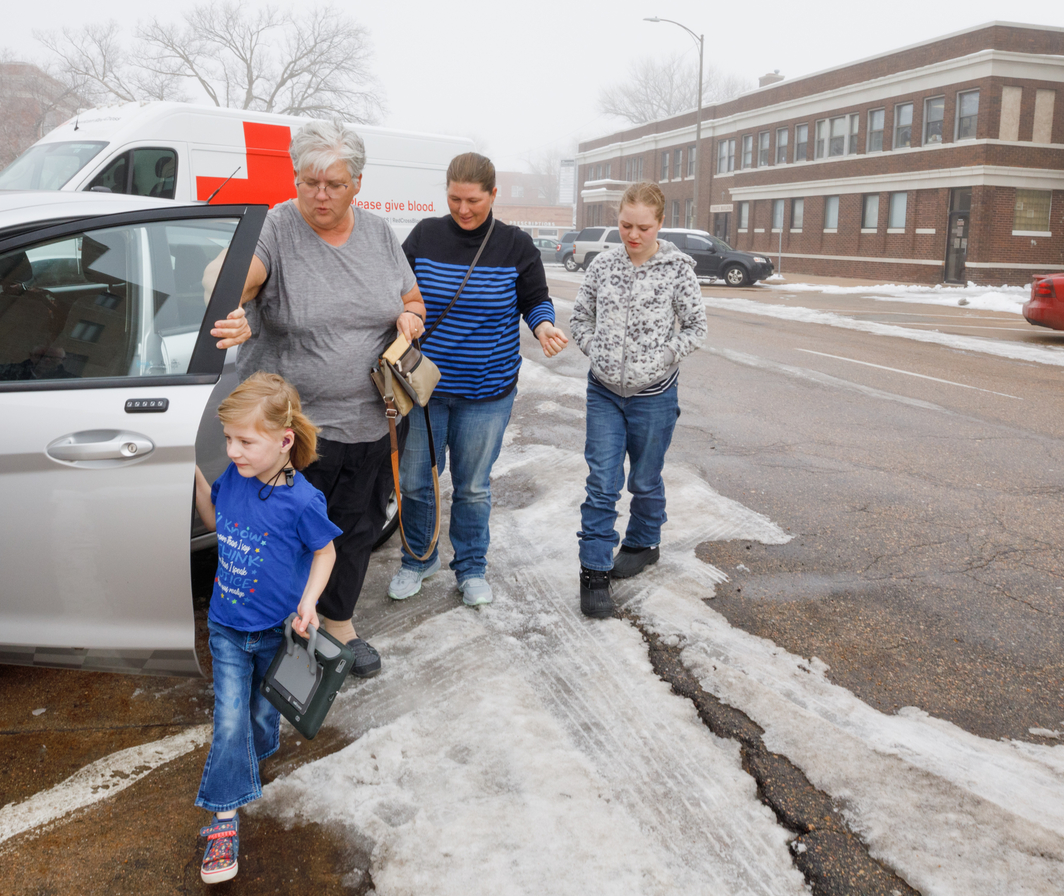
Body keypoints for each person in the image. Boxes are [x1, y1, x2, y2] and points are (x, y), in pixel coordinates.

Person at [209, 120, 425, 678]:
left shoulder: (379, 234)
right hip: (295, 433)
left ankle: (338, 624)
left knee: (354, 530)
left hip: (370, 422)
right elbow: (233, 274)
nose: (319, 195)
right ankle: (276, 634)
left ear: (357, 182)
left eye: (332, 183)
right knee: (282, 539)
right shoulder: (276, 229)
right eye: (308, 182)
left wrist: (410, 318)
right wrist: (226, 298)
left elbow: (412, 299)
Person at [388, 152, 570, 607]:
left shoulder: (515, 245)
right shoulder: (426, 236)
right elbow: (399, 291)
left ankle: (470, 569)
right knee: (417, 482)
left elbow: (536, 299)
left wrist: (544, 326)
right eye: (454, 199)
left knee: (472, 487)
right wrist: (402, 317)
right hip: (425, 390)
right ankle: (418, 559)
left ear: (493, 194)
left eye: (473, 200)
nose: (463, 209)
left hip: (487, 392)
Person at [191, 372, 341, 884]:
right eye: (228, 439)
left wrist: (309, 602)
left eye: (245, 441)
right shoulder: (234, 479)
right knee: (231, 719)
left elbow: (326, 551)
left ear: (284, 440)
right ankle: (224, 819)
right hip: (227, 628)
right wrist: (192, 476)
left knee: (260, 716)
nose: (233, 451)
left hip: (279, 632)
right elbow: (216, 522)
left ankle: (246, 761)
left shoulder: (302, 502)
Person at [568, 182, 707, 618]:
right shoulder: (603, 265)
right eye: (625, 225)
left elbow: (696, 328)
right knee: (602, 482)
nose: (632, 235)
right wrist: (598, 351)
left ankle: (644, 542)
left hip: (655, 396)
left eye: (642, 227)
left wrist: (663, 357)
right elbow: (579, 317)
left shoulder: (678, 270)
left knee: (645, 479)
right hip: (604, 392)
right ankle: (593, 573)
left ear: (660, 224)